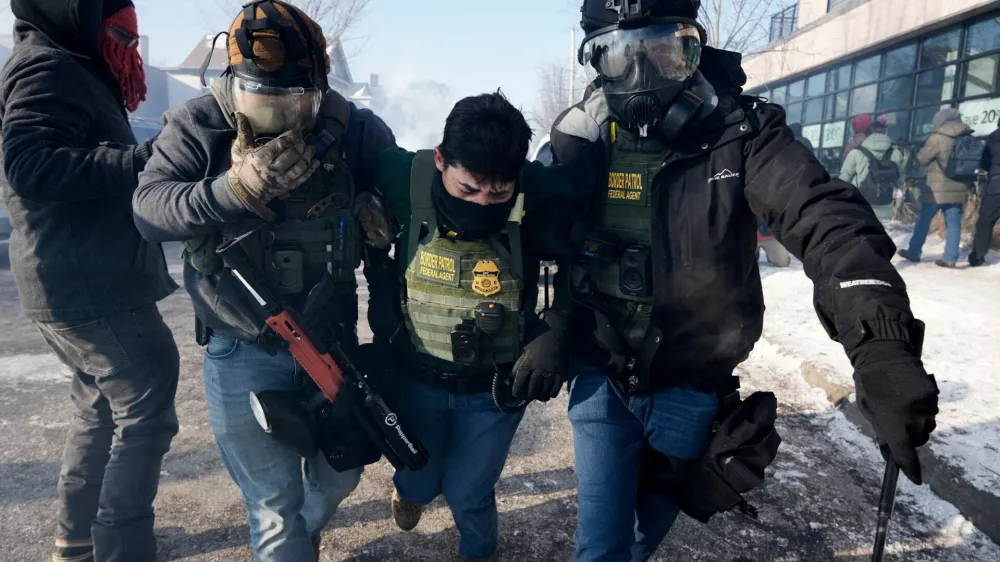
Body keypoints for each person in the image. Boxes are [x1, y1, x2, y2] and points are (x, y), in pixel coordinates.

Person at [549, 1, 939, 561]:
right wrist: (547, 328)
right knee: (600, 543)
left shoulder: (745, 132)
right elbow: (524, 234)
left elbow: (827, 221)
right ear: (595, 63)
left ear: (695, 50)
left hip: (691, 379)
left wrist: (881, 344)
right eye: (618, 56)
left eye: (665, 50)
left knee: (643, 536)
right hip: (602, 374)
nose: (643, 74)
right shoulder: (580, 141)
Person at [131, 2, 396, 559]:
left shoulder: (355, 129)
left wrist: (381, 211)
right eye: (263, 101)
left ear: (318, 84)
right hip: (242, 344)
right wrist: (231, 191)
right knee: (274, 509)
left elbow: (412, 192)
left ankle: (304, 528)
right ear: (233, 85)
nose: (280, 118)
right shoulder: (198, 125)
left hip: (331, 341)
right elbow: (149, 210)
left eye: (294, 103)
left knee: (343, 473)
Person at [0, 1, 180, 561]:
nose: (126, 30)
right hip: (89, 280)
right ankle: (123, 548)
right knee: (147, 404)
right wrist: (140, 161)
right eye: (112, 15)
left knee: (98, 407)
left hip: (70, 276)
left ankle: (76, 538)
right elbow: (28, 165)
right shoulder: (49, 66)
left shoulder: (67, 59)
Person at [376, 92, 588, 562]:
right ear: (440, 160)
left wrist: (558, 323)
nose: (482, 203)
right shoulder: (402, 176)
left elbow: (587, 246)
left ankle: (479, 553)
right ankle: (411, 491)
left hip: (495, 391)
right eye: (468, 189)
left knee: (469, 492)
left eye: (498, 193)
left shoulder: (537, 188)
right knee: (419, 477)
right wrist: (379, 294)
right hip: (417, 382)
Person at [898, 108, 972, 268]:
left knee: (923, 221)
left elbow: (922, 159)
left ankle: (914, 252)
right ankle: (950, 258)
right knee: (954, 224)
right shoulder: (967, 136)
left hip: (937, 190)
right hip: (959, 187)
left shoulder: (938, 137)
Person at [839, 114, 905, 221]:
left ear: (868, 134)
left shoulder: (856, 152)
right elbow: (900, 181)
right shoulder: (896, 153)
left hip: (860, 205)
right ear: (885, 132)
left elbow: (845, 178)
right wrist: (898, 201)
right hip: (885, 204)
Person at [969, 116, 1000, 266]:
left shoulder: (994, 138)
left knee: (985, 222)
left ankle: (978, 256)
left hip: (995, 187)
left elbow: (985, 163)